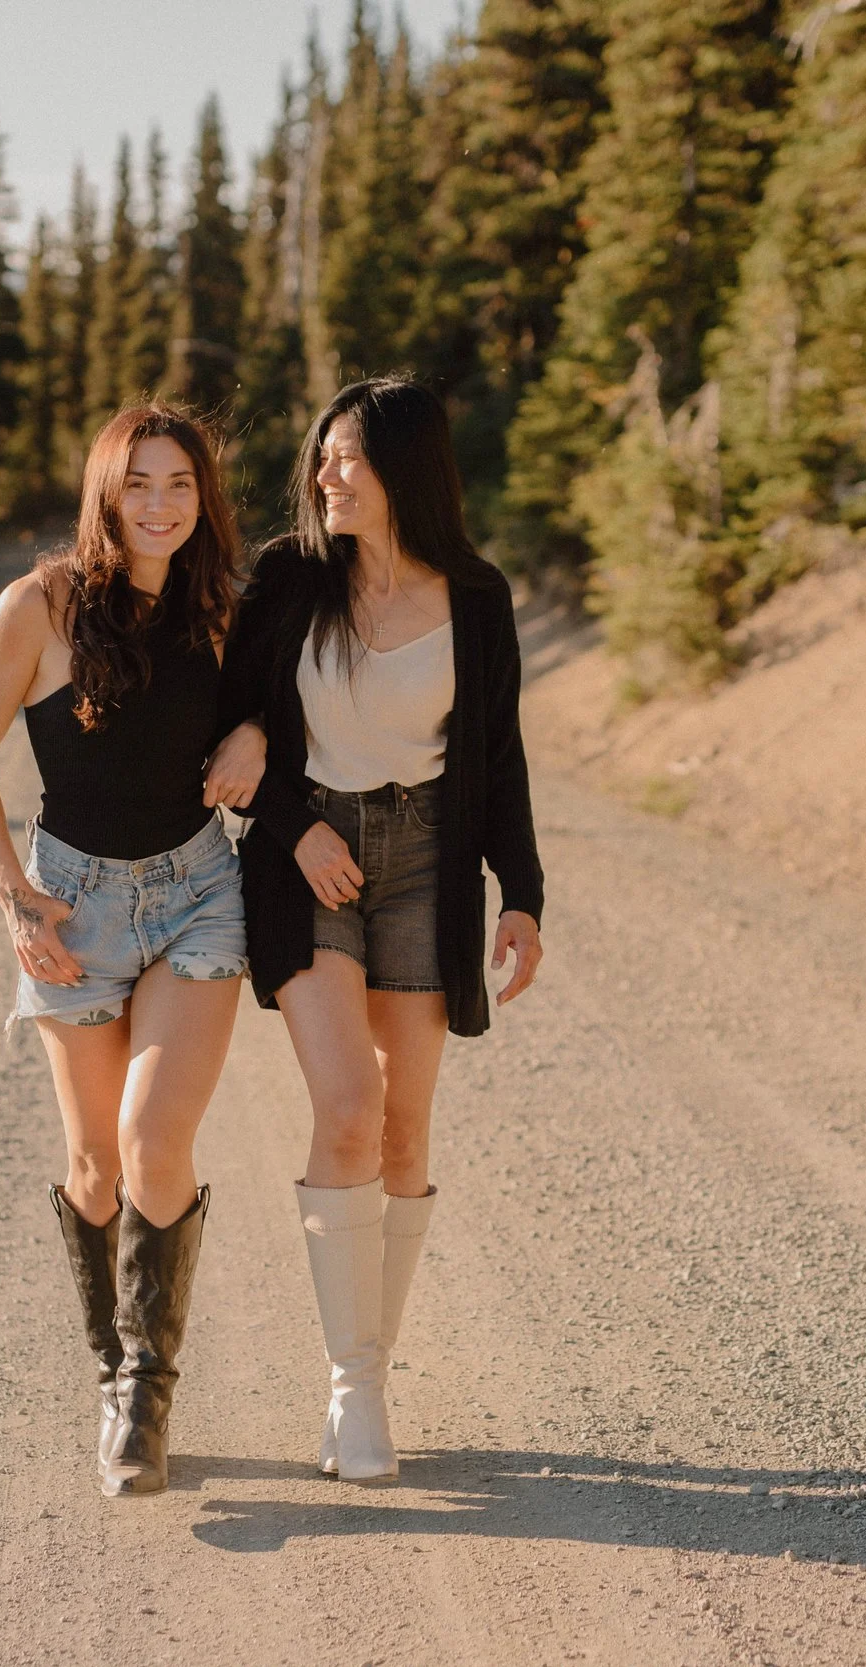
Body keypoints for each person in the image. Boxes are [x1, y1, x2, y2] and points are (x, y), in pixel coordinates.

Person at [205, 378, 545, 1483]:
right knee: (347, 1105)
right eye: (322, 457)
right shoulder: (291, 577)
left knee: (404, 1130)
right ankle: (351, 1386)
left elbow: (498, 760)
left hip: (428, 867)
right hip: (312, 861)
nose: (326, 476)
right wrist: (288, 820)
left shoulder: (478, 601)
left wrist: (523, 893)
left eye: (347, 457)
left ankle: (370, 1377)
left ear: (408, 470)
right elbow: (227, 725)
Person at [0, 405, 247, 1498]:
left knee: (150, 1139)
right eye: (139, 485)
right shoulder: (42, 605)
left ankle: (146, 1395)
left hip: (198, 894)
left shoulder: (224, 604)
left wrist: (255, 730)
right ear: (105, 494)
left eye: (180, 484)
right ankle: (111, 1370)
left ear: (202, 496)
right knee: (93, 1169)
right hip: (69, 905)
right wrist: (12, 896)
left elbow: (277, 715)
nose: (160, 505)